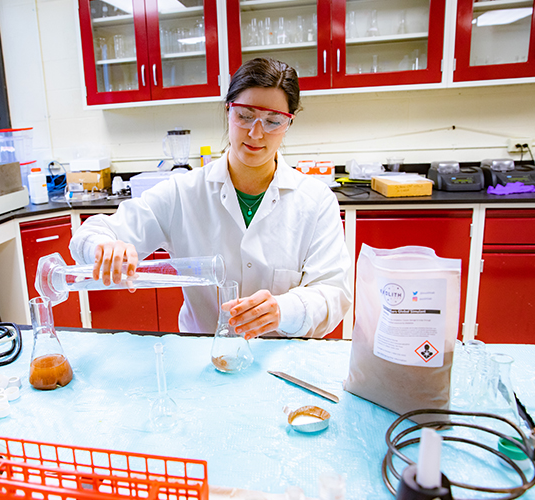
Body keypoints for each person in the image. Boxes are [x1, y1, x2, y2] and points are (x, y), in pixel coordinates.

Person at [69, 57, 352, 338]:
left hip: (283, 361)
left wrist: (284, 310)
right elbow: (90, 234)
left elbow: (333, 292)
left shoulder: (315, 202)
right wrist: (104, 248)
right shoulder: (184, 193)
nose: (256, 133)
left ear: (288, 124)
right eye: (244, 115)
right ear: (228, 111)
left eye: (273, 121)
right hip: (204, 358)